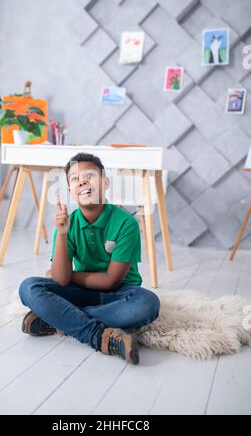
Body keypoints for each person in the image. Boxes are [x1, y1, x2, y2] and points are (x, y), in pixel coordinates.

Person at [19, 152, 160, 365]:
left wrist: (71, 275)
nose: (82, 181)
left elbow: (111, 281)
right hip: (81, 293)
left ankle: (59, 319)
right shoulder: (68, 223)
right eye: (75, 179)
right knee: (28, 287)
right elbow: (59, 280)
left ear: (106, 182)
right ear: (70, 191)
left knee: (147, 304)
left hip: (119, 294)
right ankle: (99, 336)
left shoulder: (127, 224)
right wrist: (63, 234)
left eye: (90, 175)